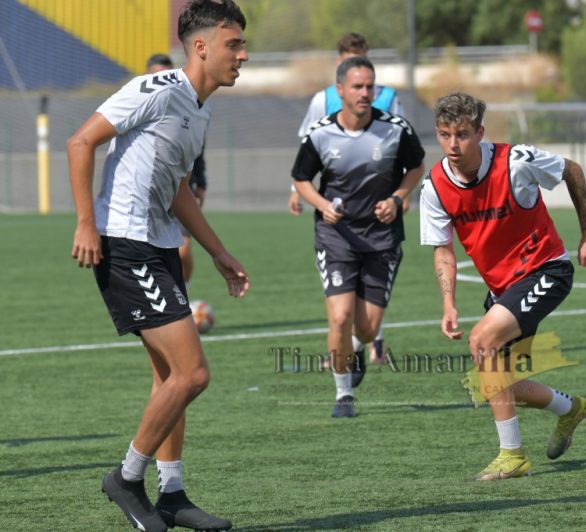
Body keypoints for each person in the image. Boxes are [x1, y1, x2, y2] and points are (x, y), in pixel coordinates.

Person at [67, 1, 249, 530]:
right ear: (201, 47)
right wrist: (85, 223)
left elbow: (178, 191)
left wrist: (218, 252)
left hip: (161, 245)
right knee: (193, 373)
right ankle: (126, 478)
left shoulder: (200, 110)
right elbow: (81, 142)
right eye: (234, 44)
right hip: (126, 245)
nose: (243, 54)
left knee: (170, 376)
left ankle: (171, 493)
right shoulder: (158, 89)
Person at [419, 91, 586, 481]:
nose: (453, 145)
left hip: (547, 270)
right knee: (498, 383)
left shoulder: (515, 161)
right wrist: (448, 303)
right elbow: (443, 251)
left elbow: (571, 170)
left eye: (462, 135)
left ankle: (512, 456)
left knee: (482, 341)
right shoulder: (434, 186)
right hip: (503, 289)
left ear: (480, 133)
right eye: (445, 135)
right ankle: (571, 409)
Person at [291, 56, 425, 417]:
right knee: (339, 317)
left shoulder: (396, 129)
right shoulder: (320, 133)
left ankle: (356, 347)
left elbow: (416, 167)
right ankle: (343, 394)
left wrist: (397, 199)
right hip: (336, 237)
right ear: (340, 90)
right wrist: (322, 205)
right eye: (358, 86)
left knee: (367, 330)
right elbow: (301, 179)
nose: (365, 93)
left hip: (382, 239)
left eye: (370, 86)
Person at [289, 32, 406, 365]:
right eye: (349, 59)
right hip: (339, 212)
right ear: (340, 65)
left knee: (371, 299)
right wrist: (297, 191)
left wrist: (400, 195)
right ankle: (343, 352)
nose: (364, 91)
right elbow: (307, 148)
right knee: (341, 305)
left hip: (379, 208)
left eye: (362, 57)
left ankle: (369, 340)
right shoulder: (322, 100)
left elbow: (402, 145)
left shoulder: (387, 97)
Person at [146, 53, 209, 286]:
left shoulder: (189, 107)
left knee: (183, 252)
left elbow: (196, 151)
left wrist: (201, 182)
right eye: (157, 76)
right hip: (151, 194)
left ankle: (185, 290)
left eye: (166, 75)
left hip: (181, 191)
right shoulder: (141, 106)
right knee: (155, 254)